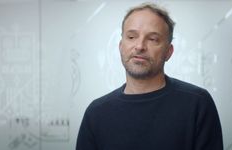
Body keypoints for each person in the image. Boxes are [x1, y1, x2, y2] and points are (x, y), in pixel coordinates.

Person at [76, 2, 223, 150]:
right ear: (121, 47)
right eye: (132, 37)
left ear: (168, 52)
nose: (139, 46)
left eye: (153, 39)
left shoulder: (197, 104)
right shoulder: (96, 113)